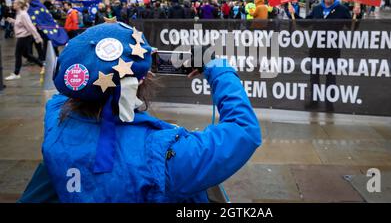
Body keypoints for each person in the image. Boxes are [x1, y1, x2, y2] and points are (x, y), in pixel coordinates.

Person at [19, 23, 261, 203]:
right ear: (137, 84)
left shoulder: (55, 123)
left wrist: (115, 68)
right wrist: (217, 67)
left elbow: (66, 94)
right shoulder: (163, 154)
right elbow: (243, 130)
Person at [4, 0, 44, 81]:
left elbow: (30, 26)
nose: (13, 4)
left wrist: (37, 37)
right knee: (26, 54)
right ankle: (43, 65)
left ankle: (16, 73)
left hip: (24, 37)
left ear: (19, 5)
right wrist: (13, 21)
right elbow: (20, 23)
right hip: (22, 37)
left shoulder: (23, 14)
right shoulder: (19, 14)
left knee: (17, 54)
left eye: (14, 3)